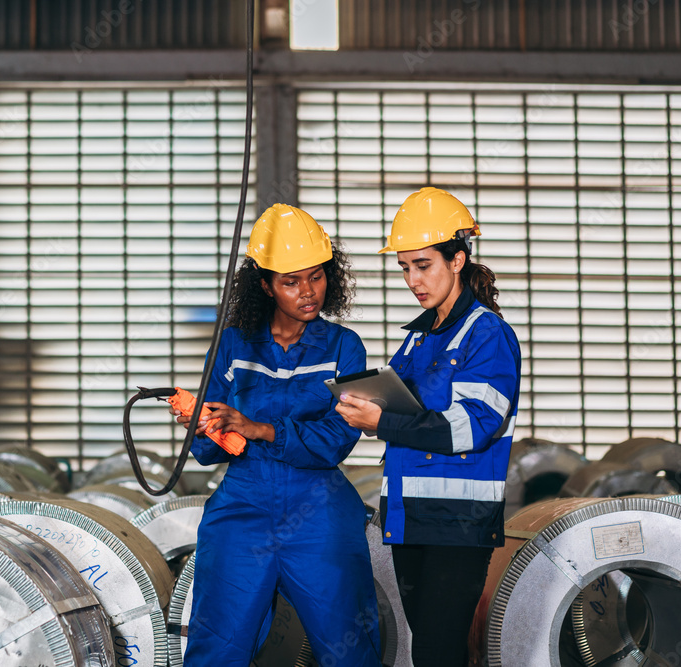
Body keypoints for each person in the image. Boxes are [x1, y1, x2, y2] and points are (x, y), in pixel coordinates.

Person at [180, 203, 381, 667]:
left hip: (319, 510)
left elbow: (336, 439)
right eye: (291, 282)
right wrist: (204, 424)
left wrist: (259, 428)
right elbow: (207, 452)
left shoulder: (342, 347)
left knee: (349, 650)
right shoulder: (232, 344)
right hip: (242, 506)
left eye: (316, 276)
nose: (308, 292)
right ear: (266, 285)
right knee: (217, 649)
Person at [335, 187, 521, 667]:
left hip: (458, 523)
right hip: (411, 516)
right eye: (404, 267)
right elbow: (408, 406)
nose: (413, 279)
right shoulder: (420, 337)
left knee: (439, 651)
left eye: (424, 265)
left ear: (457, 260)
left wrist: (383, 420)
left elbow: (473, 426)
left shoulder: (487, 334)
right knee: (431, 651)